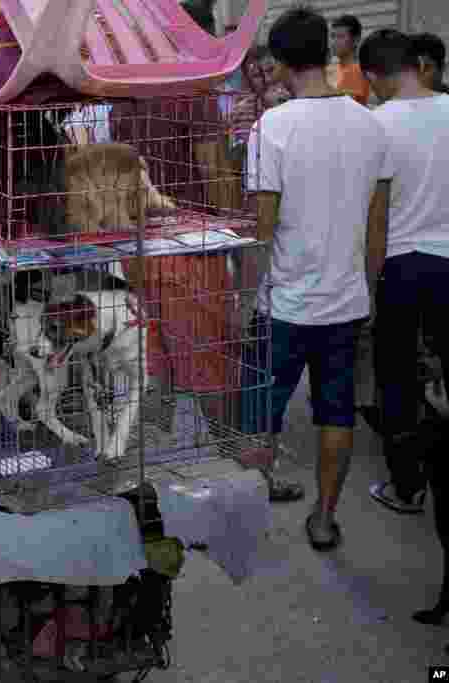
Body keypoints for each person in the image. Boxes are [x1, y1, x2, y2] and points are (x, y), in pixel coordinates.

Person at [246, 7, 391, 551]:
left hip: (283, 302)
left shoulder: (273, 128)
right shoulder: (369, 124)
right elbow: (378, 228)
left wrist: (246, 298)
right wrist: (370, 295)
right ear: (328, 55)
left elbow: (263, 229)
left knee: (263, 407)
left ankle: (254, 506)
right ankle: (325, 518)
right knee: (336, 412)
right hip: (345, 303)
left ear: (281, 62)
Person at [358, 30, 449, 515]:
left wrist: (370, 287)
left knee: (395, 379)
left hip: (401, 264)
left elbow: (376, 218)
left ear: (373, 76)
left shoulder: (376, 124)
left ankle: (407, 486)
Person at [328, 15, 371, 105]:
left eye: (340, 37)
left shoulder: (357, 70)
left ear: (356, 40)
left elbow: (344, 107)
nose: (334, 42)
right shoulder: (331, 68)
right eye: (332, 36)